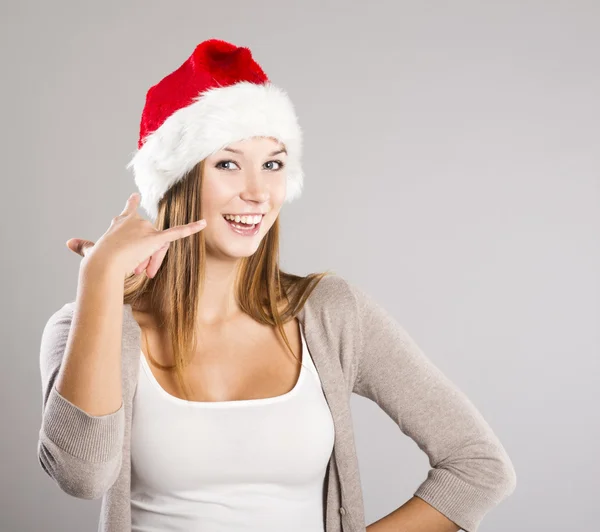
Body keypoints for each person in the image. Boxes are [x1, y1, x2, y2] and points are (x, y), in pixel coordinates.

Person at [38, 39, 517, 532]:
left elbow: (478, 467)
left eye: (272, 164)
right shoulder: (86, 327)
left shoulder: (332, 314)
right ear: (175, 182)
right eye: (227, 163)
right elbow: (82, 476)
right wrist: (100, 281)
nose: (258, 192)